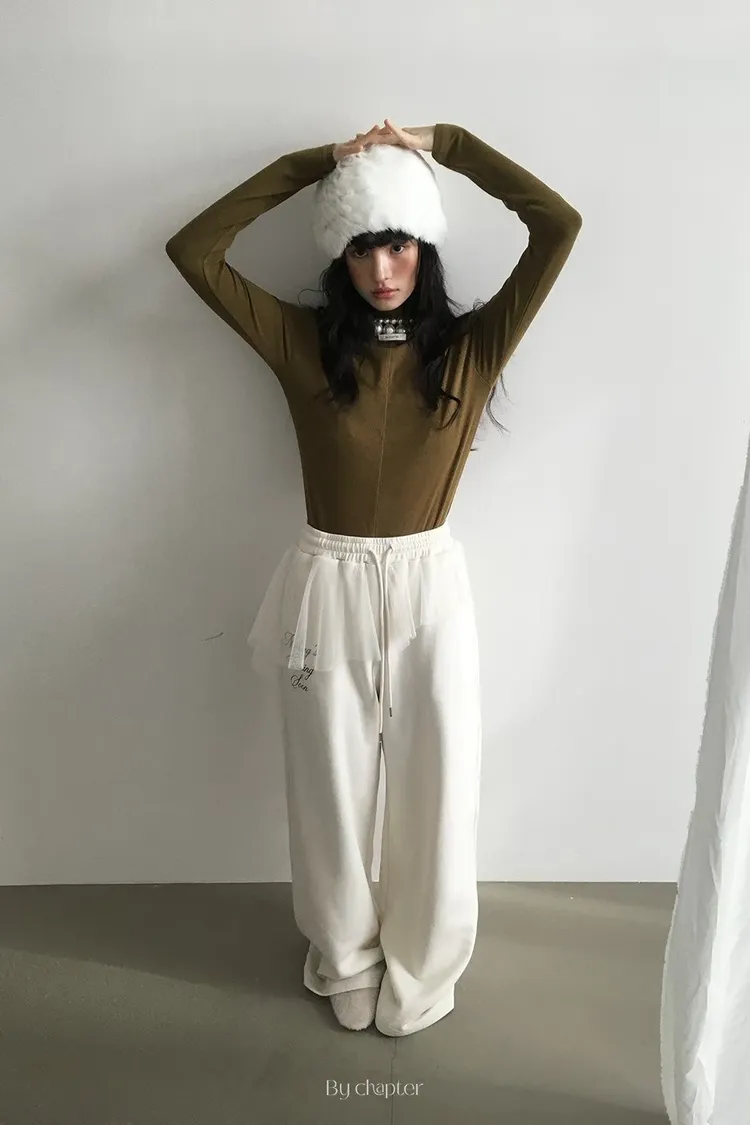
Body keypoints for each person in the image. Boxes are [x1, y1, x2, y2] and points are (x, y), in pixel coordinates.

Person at [165, 119, 582, 1037]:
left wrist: (447, 144)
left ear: (424, 247)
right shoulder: (303, 343)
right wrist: (320, 165)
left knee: (441, 783)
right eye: (360, 246)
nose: (382, 268)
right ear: (339, 255)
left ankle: (425, 961)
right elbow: (193, 251)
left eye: (397, 243)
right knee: (330, 783)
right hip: (330, 582)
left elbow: (558, 224)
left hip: (431, 588)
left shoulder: (471, 348)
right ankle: (346, 953)